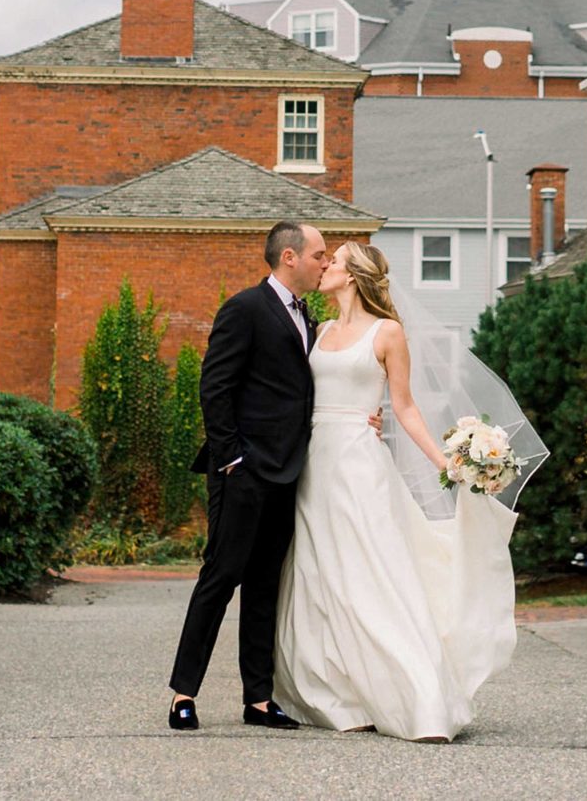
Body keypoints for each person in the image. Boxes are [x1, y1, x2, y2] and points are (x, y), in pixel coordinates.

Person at [273, 240, 517, 741]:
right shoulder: (317, 332)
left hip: (361, 464)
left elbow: (404, 407)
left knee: (372, 570)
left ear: (355, 275)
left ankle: (415, 695)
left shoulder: (389, 333)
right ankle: (339, 693)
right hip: (315, 461)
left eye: (333, 261)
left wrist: (448, 463)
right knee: (320, 573)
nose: (324, 267)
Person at [167, 220, 328, 731]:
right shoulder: (244, 308)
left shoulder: (308, 315)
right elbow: (215, 386)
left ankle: (258, 699)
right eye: (320, 254)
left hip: (288, 473)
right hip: (243, 472)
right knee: (220, 579)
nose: (326, 263)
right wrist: (231, 458)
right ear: (289, 258)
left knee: (264, 586)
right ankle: (182, 694)